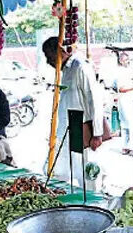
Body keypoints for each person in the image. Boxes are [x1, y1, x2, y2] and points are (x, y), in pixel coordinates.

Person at [42, 38, 105, 186]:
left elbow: (94, 100)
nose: (48, 61)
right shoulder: (66, 70)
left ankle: (92, 202)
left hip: (80, 126)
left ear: (60, 52)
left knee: (85, 171)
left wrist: (97, 133)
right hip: (66, 127)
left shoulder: (80, 67)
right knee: (57, 170)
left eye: (49, 56)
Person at [115, 51, 133, 155]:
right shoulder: (119, 72)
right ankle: (127, 146)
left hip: (129, 99)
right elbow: (121, 88)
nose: (127, 61)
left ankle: (129, 146)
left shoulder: (129, 71)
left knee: (128, 123)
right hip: (124, 99)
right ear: (121, 60)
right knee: (127, 123)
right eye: (125, 60)